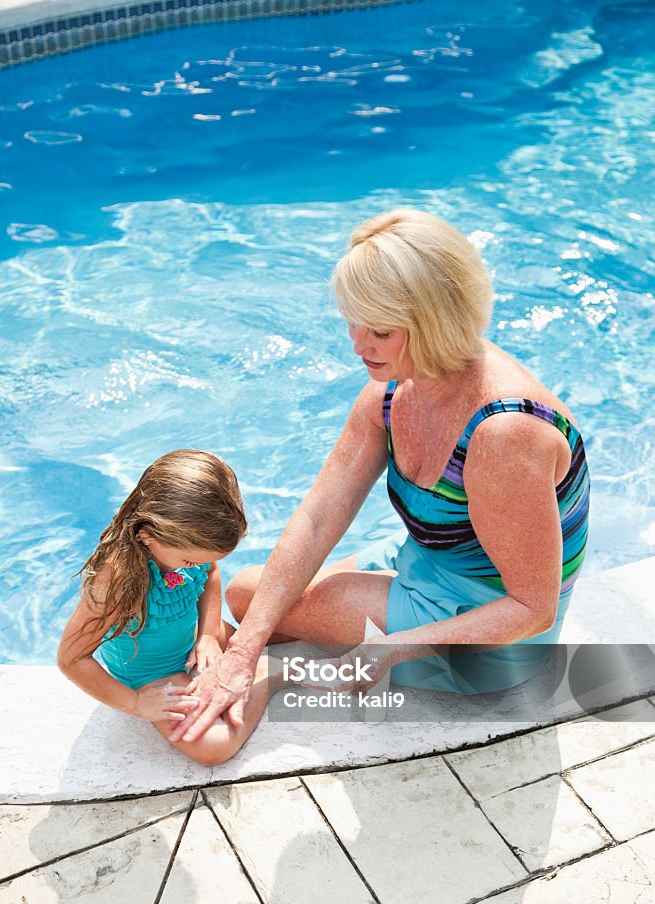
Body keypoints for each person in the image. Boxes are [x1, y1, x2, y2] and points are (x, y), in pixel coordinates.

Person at [171, 208, 590, 744]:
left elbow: (533, 609)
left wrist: (394, 647)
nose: (357, 345)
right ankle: (256, 662)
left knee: (254, 599)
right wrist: (245, 646)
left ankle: (280, 680)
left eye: (380, 331)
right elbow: (320, 517)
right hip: (431, 562)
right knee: (255, 603)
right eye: (353, 322)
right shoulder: (393, 391)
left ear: (436, 322)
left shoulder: (506, 435)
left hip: (493, 632)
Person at [58, 449, 285, 765]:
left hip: (198, 639)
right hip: (154, 672)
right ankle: (271, 673)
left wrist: (207, 634)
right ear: (146, 534)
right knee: (214, 746)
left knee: (279, 612)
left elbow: (211, 574)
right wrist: (136, 703)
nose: (198, 566)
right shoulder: (118, 579)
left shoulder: (184, 548)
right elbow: (71, 659)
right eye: (191, 560)